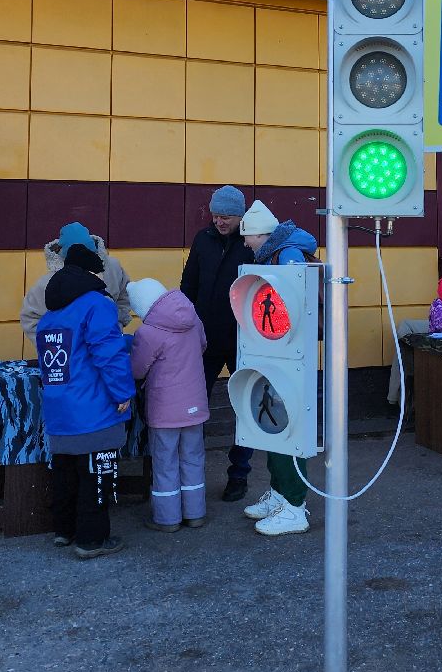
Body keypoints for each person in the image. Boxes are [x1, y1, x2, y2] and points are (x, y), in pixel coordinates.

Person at [35, 243, 135, 560]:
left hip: (59, 410)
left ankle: (64, 531)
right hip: (92, 409)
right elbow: (108, 352)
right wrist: (122, 392)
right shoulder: (97, 305)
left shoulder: (50, 316)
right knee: (96, 475)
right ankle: (91, 540)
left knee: (65, 474)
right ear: (92, 274)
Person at [236, 199, 318, 537]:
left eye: (248, 237)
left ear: (262, 234)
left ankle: (295, 506)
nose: (245, 243)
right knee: (270, 424)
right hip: (276, 352)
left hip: (289, 355)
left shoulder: (287, 256)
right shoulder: (280, 252)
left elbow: (292, 309)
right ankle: (281, 493)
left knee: (288, 428)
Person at [179, 186, 256, 503]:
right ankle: (189, 475)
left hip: (243, 340)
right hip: (205, 340)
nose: (219, 221)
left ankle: (239, 474)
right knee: (194, 408)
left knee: (245, 409)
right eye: (215, 215)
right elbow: (188, 286)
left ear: (240, 216)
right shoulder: (202, 239)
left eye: (226, 216)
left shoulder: (252, 243)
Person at [128, 278, 210, 533]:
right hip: (195, 404)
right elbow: (203, 345)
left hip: (165, 411)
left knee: (165, 462)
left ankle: (167, 518)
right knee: (193, 458)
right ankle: (195, 514)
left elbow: (137, 370)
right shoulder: (193, 319)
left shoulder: (148, 333)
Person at [22, 222, 132, 338]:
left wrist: (116, 323)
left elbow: (125, 295)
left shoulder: (112, 268)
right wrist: (53, 346)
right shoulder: (46, 283)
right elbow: (30, 318)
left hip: (107, 343)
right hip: (69, 353)